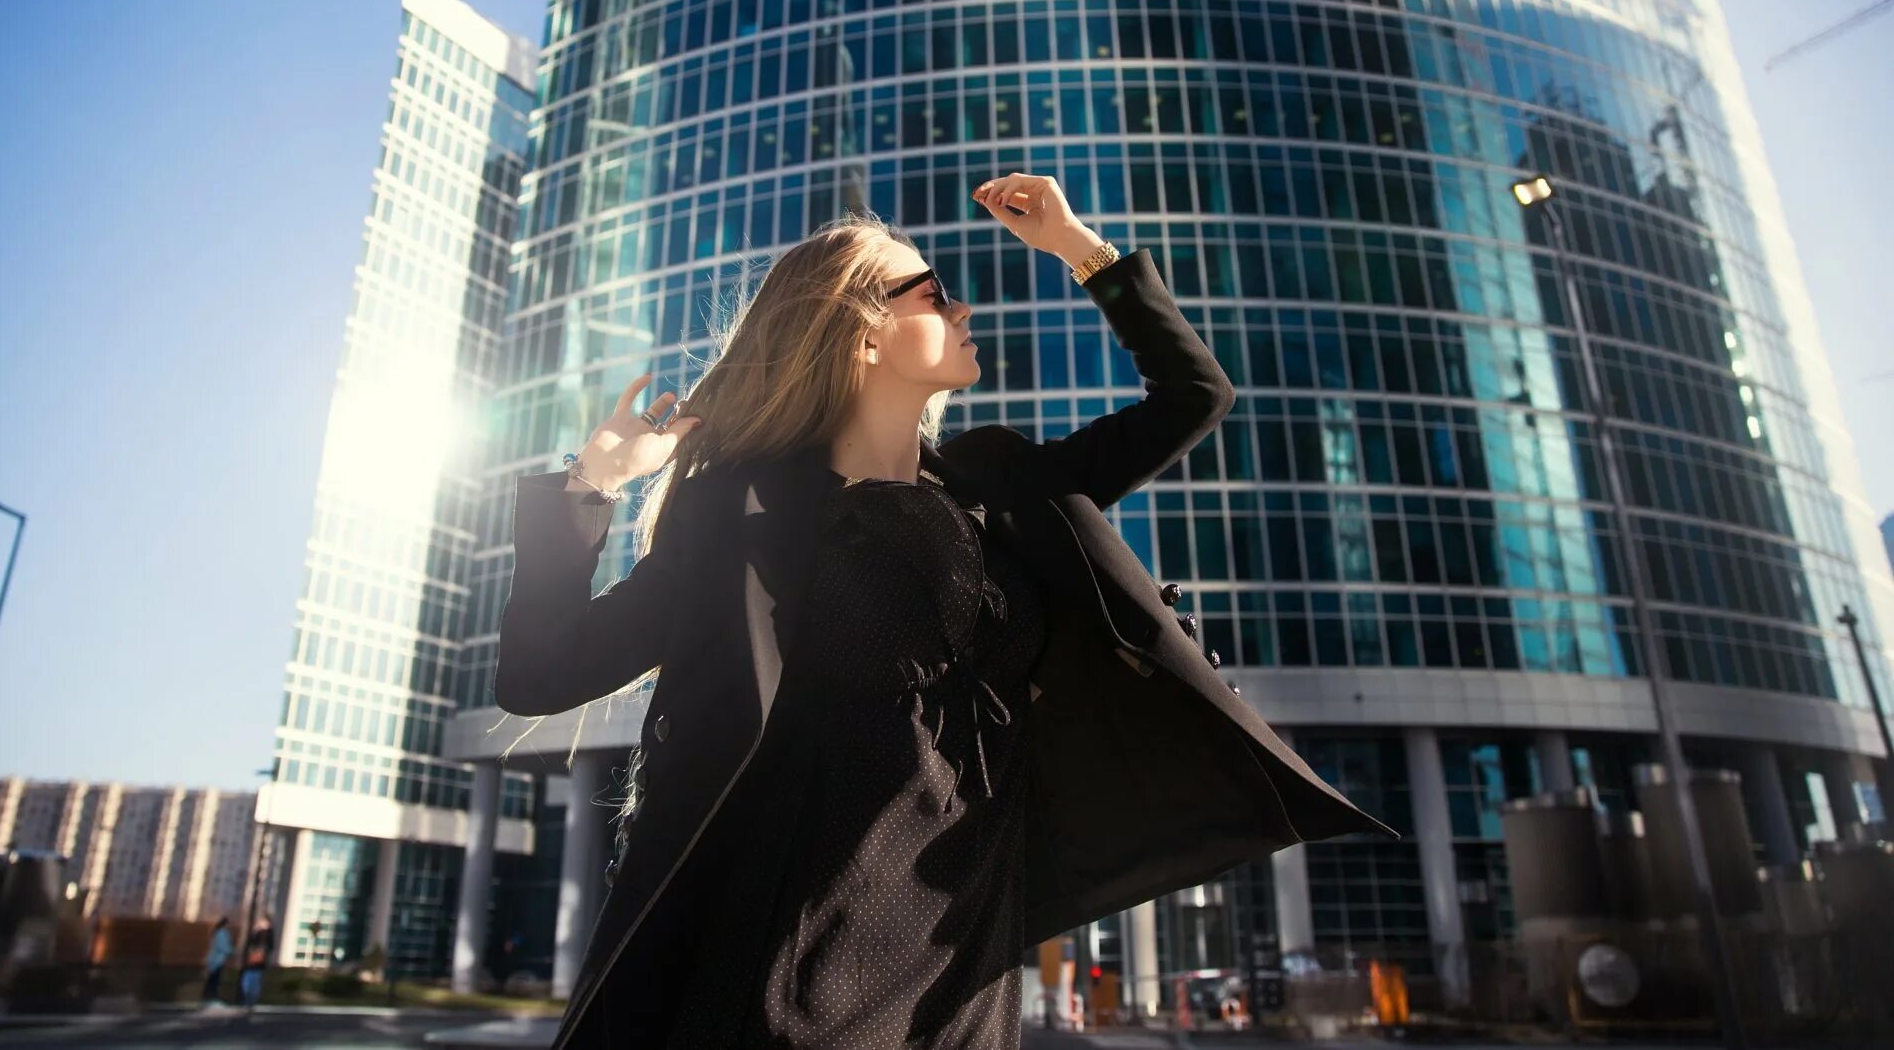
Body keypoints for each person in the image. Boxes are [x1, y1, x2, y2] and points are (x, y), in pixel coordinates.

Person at [497, 173, 1392, 1049]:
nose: (964, 311)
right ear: (863, 334)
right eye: (936, 294)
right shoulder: (744, 514)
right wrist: (590, 488)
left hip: (964, 966)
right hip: (785, 971)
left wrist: (1080, 249)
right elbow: (543, 673)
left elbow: (1197, 398)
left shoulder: (998, 491)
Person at [238, 917, 273, 1011]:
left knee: (253, 983)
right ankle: (247, 1001)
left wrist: (264, 930)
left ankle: (250, 1002)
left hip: (258, 964)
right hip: (250, 963)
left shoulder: (266, 934)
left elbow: (268, 945)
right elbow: (250, 943)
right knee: (247, 983)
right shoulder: (256, 932)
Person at [200, 916, 233, 1005]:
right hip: (218, 959)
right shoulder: (222, 933)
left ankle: (208, 996)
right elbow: (223, 946)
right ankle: (210, 996)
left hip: (215, 958)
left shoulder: (217, 932)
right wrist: (231, 951)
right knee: (214, 979)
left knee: (212, 978)